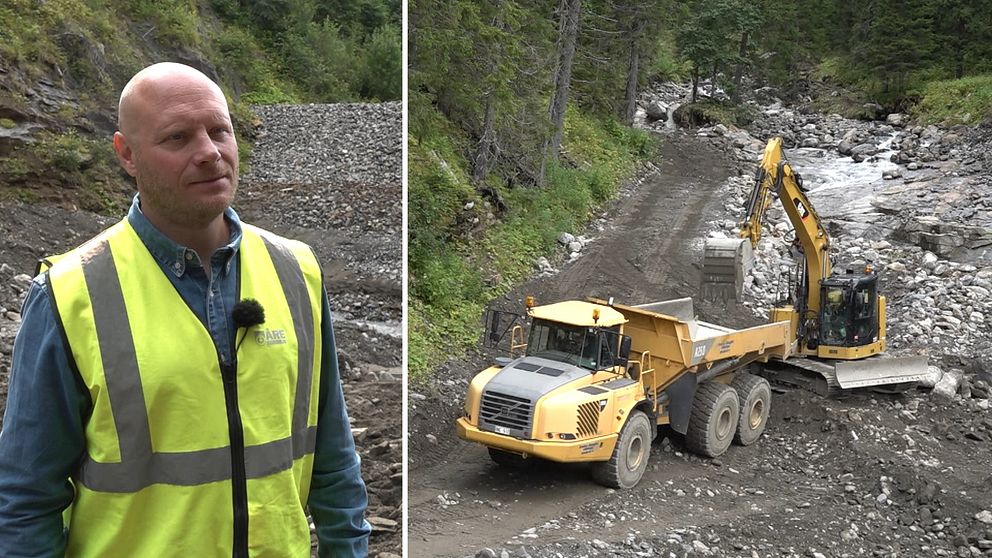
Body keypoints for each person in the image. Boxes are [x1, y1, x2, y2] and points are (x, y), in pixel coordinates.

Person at [0, 62, 371, 557]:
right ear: (127, 154)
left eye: (220, 130)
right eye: (178, 138)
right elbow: (25, 498)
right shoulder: (69, 296)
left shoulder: (297, 270)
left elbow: (333, 457)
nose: (209, 153)